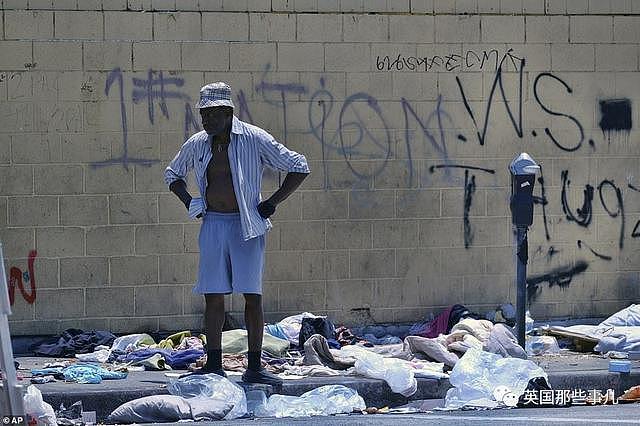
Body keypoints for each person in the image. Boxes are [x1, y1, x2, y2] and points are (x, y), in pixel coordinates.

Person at [164, 82, 310, 385]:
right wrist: (190, 200)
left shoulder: (254, 138)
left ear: (228, 112)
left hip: (247, 226)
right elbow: (173, 174)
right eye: (203, 116)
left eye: (212, 115)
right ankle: (214, 363)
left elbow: (298, 165)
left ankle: (254, 367)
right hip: (214, 224)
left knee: (252, 297)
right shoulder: (198, 143)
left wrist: (272, 202)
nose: (207, 122)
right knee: (213, 296)